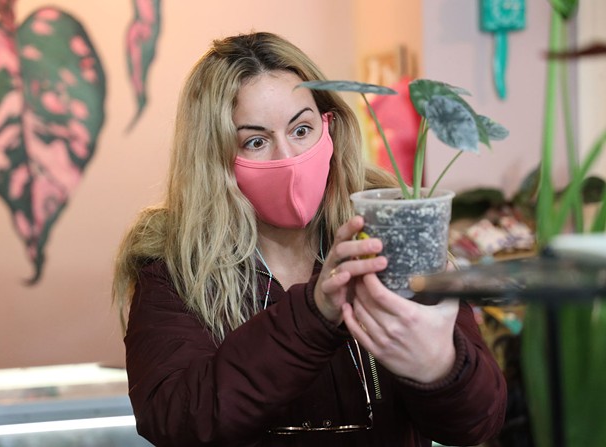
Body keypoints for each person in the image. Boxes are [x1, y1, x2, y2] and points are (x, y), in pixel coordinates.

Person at [112, 31, 507, 447]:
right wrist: (316, 310)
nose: (288, 158)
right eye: (256, 141)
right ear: (215, 158)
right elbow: (175, 419)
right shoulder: (174, 266)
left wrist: (441, 368)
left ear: (329, 127)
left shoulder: (392, 228)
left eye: (301, 130)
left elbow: (476, 423)